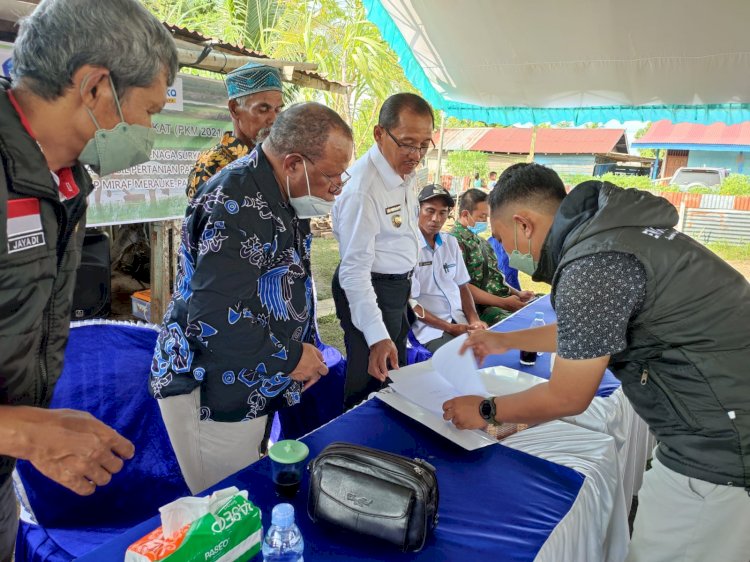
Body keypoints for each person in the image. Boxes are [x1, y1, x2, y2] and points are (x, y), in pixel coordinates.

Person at [444, 163, 750, 562]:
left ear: (524, 224)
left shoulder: (594, 263)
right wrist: (502, 339)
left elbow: (569, 396)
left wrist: (486, 410)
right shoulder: (613, 237)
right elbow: (587, 331)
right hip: (719, 419)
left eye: (502, 238)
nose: (505, 250)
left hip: (720, 447)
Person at [0, 0, 178, 558]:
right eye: (149, 109)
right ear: (96, 87)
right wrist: (24, 433)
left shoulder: (63, 184)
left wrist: (33, 425)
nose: (150, 130)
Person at [151, 102, 354, 494]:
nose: (337, 187)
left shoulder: (280, 193)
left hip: (249, 380)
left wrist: (298, 352)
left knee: (249, 495)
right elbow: (213, 317)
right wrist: (292, 357)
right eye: (330, 176)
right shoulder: (239, 200)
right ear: (293, 163)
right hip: (213, 392)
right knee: (228, 508)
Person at [332, 92, 434, 410]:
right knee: (369, 382)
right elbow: (354, 270)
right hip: (369, 288)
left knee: (393, 376)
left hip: (394, 288)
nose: (415, 154)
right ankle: (356, 449)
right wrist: (375, 334)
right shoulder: (363, 188)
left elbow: (400, 237)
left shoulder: (401, 173)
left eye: (424, 144)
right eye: (406, 142)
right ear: (380, 134)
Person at [186, 62, 284, 199]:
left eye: (278, 109)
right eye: (263, 109)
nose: (274, 119)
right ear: (234, 109)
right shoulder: (210, 165)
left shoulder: (281, 159)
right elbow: (202, 218)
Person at [410, 184, 487, 352]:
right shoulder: (408, 248)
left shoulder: (450, 243)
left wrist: (474, 320)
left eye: (442, 212)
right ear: (417, 210)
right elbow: (410, 303)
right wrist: (449, 327)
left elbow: (462, 286)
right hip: (430, 328)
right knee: (461, 358)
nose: (436, 219)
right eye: (430, 211)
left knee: (488, 352)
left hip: (459, 321)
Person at [451, 188, 533, 325]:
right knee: (523, 325)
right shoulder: (453, 242)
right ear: (465, 214)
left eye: (487, 217)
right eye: (482, 216)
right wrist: (504, 303)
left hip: (504, 300)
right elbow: (461, 287)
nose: (485, 221)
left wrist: (517, 294)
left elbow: (495, 275)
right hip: (483, 309)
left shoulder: (482, 242)